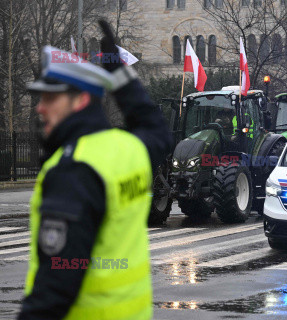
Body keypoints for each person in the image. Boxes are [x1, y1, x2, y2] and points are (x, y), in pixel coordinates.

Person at [18, 21, 172, 320]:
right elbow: (156, 128)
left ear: (82, 100)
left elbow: (55, 288)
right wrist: (118, 70)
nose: (40, 108)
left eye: (51, 98)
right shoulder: (128, 149)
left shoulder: (73, 170)